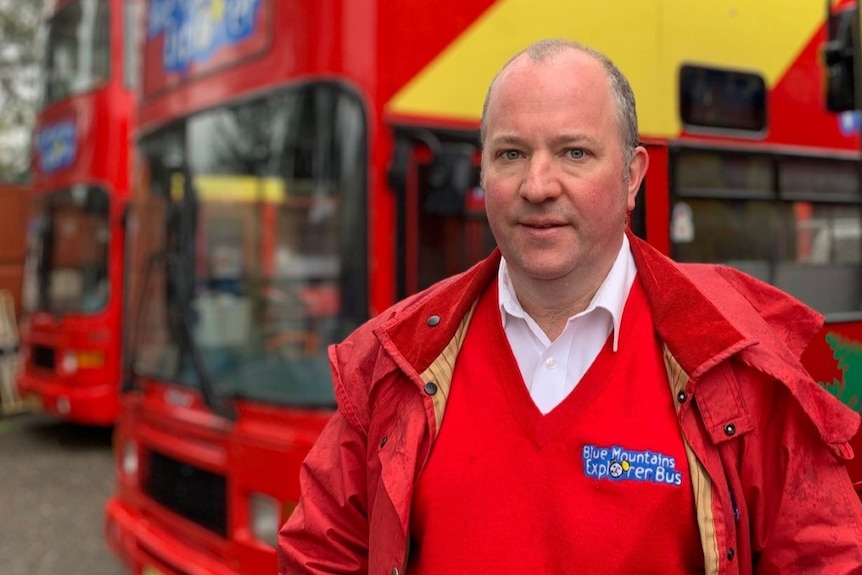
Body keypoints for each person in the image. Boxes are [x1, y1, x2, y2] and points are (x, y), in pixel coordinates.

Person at [278, 38, 862, 574]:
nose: (538, 184)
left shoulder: (739, 362)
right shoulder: (396, 361)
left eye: (574, 152)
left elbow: (825, 558)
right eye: (510, 154)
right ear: (482, 167)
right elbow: (319, 553)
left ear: (633, 176)